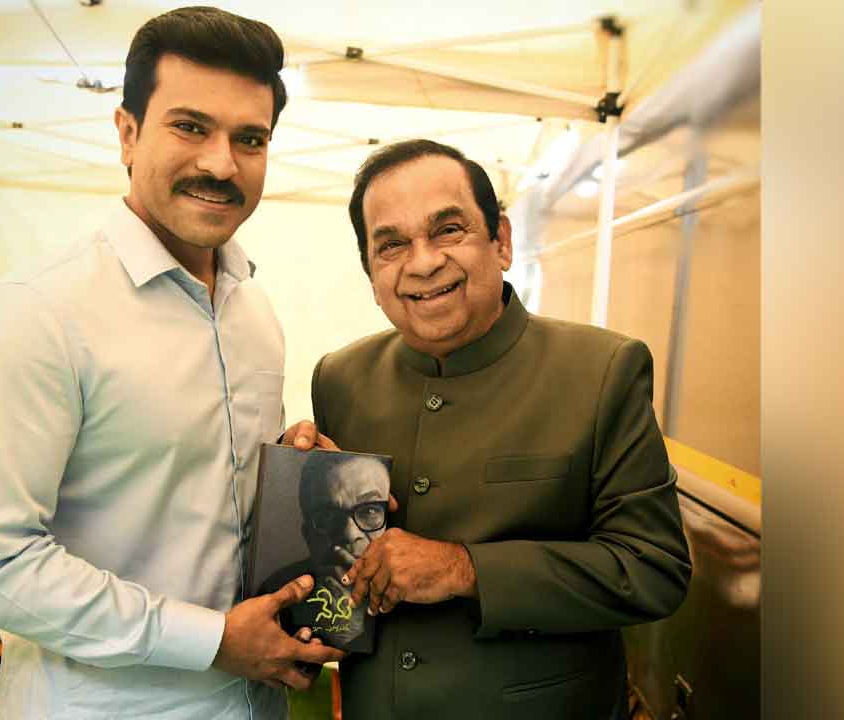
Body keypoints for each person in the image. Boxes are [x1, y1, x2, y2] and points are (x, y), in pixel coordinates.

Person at [0, 7, 343, 720]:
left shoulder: (254, 314)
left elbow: (195, 496)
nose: (221, 163)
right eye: (191, 127)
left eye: (250, 139)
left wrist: (290, 473)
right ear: (127, 133)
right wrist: (210, 640)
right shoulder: (37, 314)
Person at [283, 139, 693, 719]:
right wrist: (296, 485)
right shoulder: (340, 378)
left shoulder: (602, 370)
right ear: (370, 273)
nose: (423, 262)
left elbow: (653, 569)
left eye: (448, 230)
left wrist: (463, 569)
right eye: (392, 245)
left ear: (501, 240)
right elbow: (335, 563)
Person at [258, 451, 390, 649]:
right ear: (308, 534)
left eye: (370, 511)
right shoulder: (274, 596)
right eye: (328, 516)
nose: (349, 534)